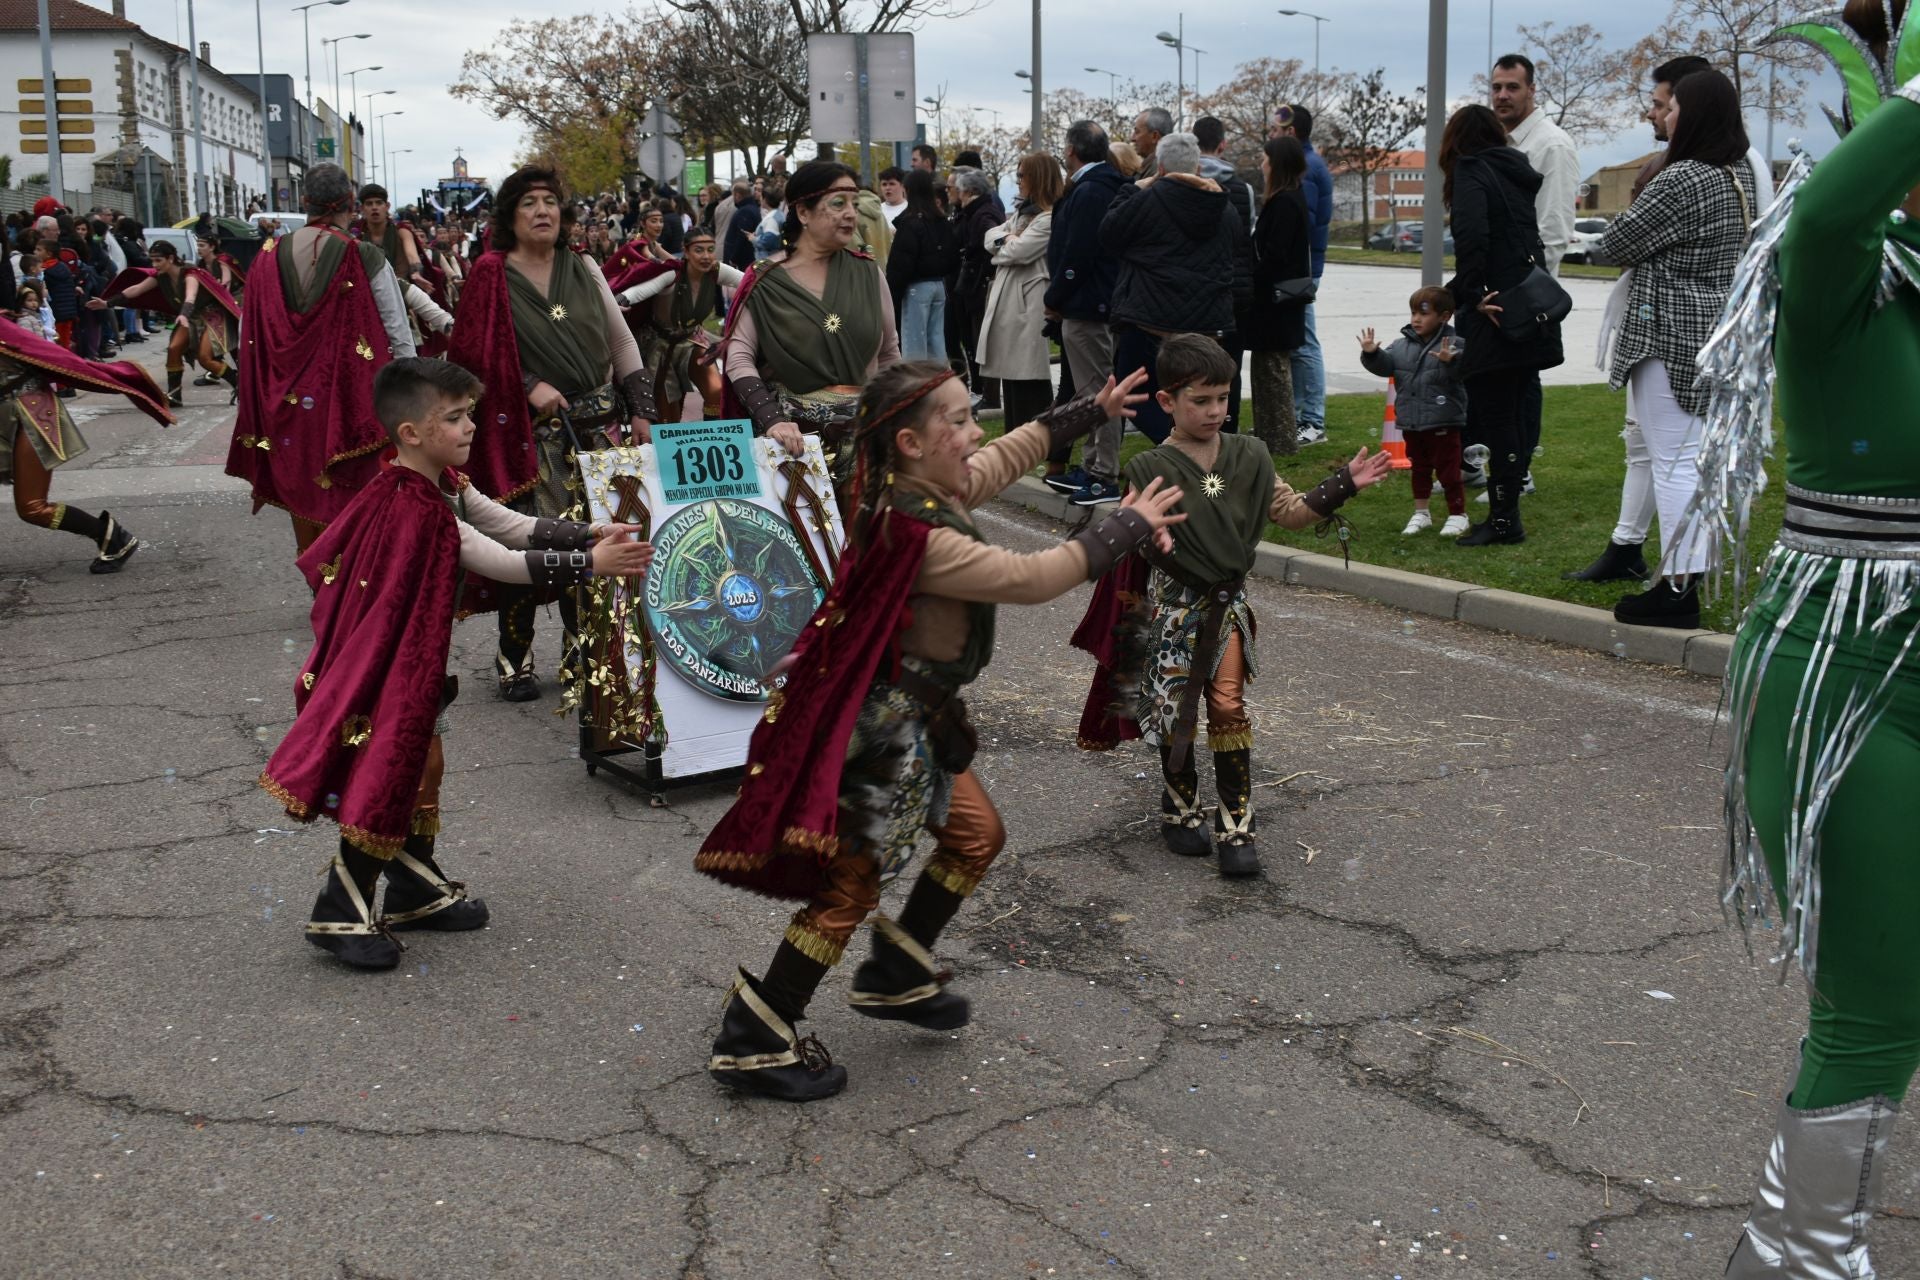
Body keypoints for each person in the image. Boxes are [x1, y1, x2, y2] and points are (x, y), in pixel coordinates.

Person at [694, 362, 1176, 1101]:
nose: (973, 431)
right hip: (883, 733)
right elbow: (1032, 578)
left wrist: (1091, 409)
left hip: (923, 721)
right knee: (848, 890)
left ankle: (898, 970)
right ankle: (757, 1034)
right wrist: (1123, 527)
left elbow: (1004, 455)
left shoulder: (929, 491)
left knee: (976, 836)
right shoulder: (915, 532)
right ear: (914, 443)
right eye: (957, 420)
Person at [1700, 3, 1920, 1272]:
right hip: (1850, 673)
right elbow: (1837, 210)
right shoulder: (1838, 269)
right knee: (1877, 997)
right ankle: (1798, 1253)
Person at [261, 357, 653, 972]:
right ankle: (341, 907)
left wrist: (587, 532)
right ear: (410, 432)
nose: (471, 426)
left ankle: (414, 886)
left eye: (469, 412)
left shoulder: (443, 481)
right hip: (388, 663)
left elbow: (508, 524)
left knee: (423, 763)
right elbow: (497, 559)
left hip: (413, 656)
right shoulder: (414, 503)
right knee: (393, 767)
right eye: (454, 417)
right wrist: (589, 565)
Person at [1076, 335, 1389, 876]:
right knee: (1176, 713)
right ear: (1168, 401)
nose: (1216, 411)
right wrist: (1146, 536)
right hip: (1172, 612)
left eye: (1223, 398)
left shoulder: (1250, 456)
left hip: (1226, 611)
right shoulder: (1150, 465)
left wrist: (1342, 485)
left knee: (1227, 708)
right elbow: (1132, 533)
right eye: (1201, 400)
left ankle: (1236, 827)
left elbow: (1289, 512)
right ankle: (1179, 812)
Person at [448, 165, 657, 701]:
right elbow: (471, 357)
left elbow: (622, 343)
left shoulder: (583, 264)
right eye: (528, 203)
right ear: (509, 217)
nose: (542, 211)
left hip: (601, 430)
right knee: (535, 542)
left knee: (598, 541)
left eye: (550, 201)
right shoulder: (490, 274)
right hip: (532, 436)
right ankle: (513, 656)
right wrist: (529, 384)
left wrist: (642, 410)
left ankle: (579, 654)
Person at [1570, 53, 1776, 585]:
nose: (1664, 116)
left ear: (1697, 113)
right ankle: (1688, 571)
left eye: (1673, 106)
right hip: (1712, 326)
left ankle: (1679, 584)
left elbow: (1616, 241)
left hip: (1668, 332)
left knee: (1674, 461)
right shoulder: (1736, 174)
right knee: (1688, 458)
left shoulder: (1684, 176)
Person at [220, 163, 417, 552]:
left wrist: (250, 390)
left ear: (305, 201)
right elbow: (399, 332)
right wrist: (409, 395)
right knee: (353, 486)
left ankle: (317, 574)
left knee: (302, 486)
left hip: (285, 398)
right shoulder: (363, 254)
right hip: (349, 400)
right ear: (350, 204)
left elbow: (248, 333)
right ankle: (349, 578)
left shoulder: (267, 257)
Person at [719, 160, 902, 492]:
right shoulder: (765, 279)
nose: (851, 214)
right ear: (803, 212)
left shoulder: (868, 274)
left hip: (862, 446)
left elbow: (889, 354)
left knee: (863, 541)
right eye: (838, 204)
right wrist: (773, 421)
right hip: (792, 453)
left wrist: (892, 418)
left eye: (854, 205)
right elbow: (738, 357)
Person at [1440, 104, 1565, 547]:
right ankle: (1504, 514)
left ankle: (1504, 519)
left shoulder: (1473, 171)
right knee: (1512, 409)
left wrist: (1469, 296)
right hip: (1522, 304)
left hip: (1495, 310)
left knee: (1496, 414)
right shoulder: (1515, 171)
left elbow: (1474, 240)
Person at [1099, 132, 1251, 457]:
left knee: (1132, 394)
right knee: (1193, 396)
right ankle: (1202, 456)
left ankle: (1186, 453)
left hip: (1150, 320)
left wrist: (1133, 187)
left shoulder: (1147, 200)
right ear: (1198, 167)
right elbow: (1235, 251)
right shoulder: (1223, 207)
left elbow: (1108, 234)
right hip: (1207, 321)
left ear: (1161, 166)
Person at [1, 297, 169, 572]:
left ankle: (111, 536)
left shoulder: (6, 329)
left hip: (29, 413)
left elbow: (52, 356)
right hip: (5, 416)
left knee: (32, 508)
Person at [1490, 53, 1582, 494]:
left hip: (1528, 285)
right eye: (1497, 87)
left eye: (1512, 87)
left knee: (1523, 377)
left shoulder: (1551, 144)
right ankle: (1496, 461)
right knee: (1499, 379)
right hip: (1498, 278)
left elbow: (1555, 227)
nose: (1503, 95)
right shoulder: (1499, 142)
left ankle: (1520, 468)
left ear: (1531, 91)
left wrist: (1527, 291)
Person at [1042, 122, 1130, 502]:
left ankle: (1103, 475)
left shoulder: (1092, 190)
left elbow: (1078, 254)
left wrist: (1056, 297)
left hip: (1088, 305)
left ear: (1072, 149)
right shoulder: (1103, 185)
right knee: (1093, 391)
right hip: (1096, 303)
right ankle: (1093, 465)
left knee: (1100, 392)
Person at [1359, 287, 1470, 536]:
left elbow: (1462, 374)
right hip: (1411, 421)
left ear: (1444, 316)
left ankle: (1458, 514)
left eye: (1424, 313)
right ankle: (1421, 513)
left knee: (1448, 471)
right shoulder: (1400, 345)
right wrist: (1372, 354)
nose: (1416, 319)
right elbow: (1386, 366)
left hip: (1443, 420)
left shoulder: (1455, 344)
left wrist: (1449, 361)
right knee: (1419, 469)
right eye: (1413, 313)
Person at [90, 241, 241, 407]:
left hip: (213, 315)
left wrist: (183, 314)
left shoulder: (190, 274)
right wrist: (107, 303)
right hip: (190, 318)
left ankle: (238, 385)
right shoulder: (159, 277)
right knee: (174, 348)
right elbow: (136, 289)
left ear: (170, 258)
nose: (154, 265)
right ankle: (174, 394)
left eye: (158, 260)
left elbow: (191, 296)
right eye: (152, 260)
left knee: (205, 358)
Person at [615, 226, 742, 421]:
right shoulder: (672, 274)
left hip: (693, 341)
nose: (706, 256)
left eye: (710, 249)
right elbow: (640, 291)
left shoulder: (716, 270)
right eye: (699, 250)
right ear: (686, 251)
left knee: (716, 390)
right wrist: (619, 301)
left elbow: (748, 281)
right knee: (668, 412)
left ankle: (715, 439)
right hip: (660, 347)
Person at [978, 153, 1062, 430]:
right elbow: (991, 236)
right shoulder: (1023, 213)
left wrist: (1007, 243)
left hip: (1027, 303)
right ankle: (1015, 438)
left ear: (1036, 178)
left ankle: (1033, 443)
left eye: (1021, 176)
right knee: (1012, 377)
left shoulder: (1049, 218)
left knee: (1028, 376)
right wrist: (1008, 240)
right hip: (1011, 302)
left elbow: (1019, 251)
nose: (1018, 182)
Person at [1244, 135, 1313, 455]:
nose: (1262, 164)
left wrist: (1251, 274)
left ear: (1278, 164)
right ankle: (1271, 433)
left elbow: (1275, 255)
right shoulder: (1288, 198)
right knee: (1268, 369)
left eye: (1266, 159)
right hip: (1276, 303)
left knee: (1272, 372)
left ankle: (1280, 438)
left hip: (1275, 304)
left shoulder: (1285, 202)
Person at [1272, 104, 1333, 446]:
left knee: (1304, 342)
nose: (1271, 136)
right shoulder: (1305, 165)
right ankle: (1299, 418)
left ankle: (1312, 421)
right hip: (1303, 268)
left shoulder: (1305, 169)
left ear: (1291, 133)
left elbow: (1301, 224)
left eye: (1275, 131)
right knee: (1299, 342)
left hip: (1302, 269)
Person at [886, 169, 959, 362]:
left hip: (916, 288)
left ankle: (917, 390)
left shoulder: (910, 223)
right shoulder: (941, 221)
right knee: (937, 343)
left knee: (914, 346)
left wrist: (892, 295)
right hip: (939, 286)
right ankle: (940, 387)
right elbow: (953, 257)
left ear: (908, 191)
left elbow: (900, 265)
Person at [949, 168, 1005, 410]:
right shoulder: (974, 212)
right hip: (976, 286)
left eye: (959, 190)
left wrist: (975, 271)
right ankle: (986, 393)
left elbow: (990, 248)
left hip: (981, 287)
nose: (957, 195)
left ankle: (990, 395)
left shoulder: (983, 215)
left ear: (970, 192)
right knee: (976, 339)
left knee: (984, 341)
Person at [723, 182, 763, 271]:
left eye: (733, 195)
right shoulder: (752, 208)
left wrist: (733, 258)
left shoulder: (745, 212)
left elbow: (741, 236)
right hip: (747, 258)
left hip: (742, 261)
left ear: (737, 195)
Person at [1130, 107, 1172, 178]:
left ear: (1154, 136)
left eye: (1137, 132)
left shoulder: (1159, 172)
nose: (1132, 138)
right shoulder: (1166, 165)